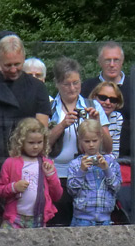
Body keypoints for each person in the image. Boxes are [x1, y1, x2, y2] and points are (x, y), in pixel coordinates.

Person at [0, 35, 51, 170]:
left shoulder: (38, 87)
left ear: (24, 58)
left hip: (25, 162)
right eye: (8, 65)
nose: (13, 69)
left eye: (17, 64)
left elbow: (41, 130)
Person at [48, 57, 111, 226]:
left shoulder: (93, 106)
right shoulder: (49, 107)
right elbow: (42, 146)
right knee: (59, 224)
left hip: (88, 173)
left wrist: (97, 122)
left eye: (76, 83)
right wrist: (62, 125)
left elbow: (108, 147)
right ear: (57, 84)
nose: (72, 88)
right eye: (67, 84)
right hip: (57, 175)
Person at [0, 118, 62, 228]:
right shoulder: (11, 163)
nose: (35, 146)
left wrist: (50, 175)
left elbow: (57, 195)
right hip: (14, 218)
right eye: (31, 143)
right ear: (21, 142)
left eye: (39, 142)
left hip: (38, 219)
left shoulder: (47, 164)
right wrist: (14, 187)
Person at [80, 42, 132, 158]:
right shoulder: (87, 87)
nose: (112, 64)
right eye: (108, 60)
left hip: (129, 159)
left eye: (116, 60)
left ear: (122, 61)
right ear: (99, 62)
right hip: (90, 155)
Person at [66, 119, 121, 226]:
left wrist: (106, 170)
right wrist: (81, 171)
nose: (91, 145)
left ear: (100, 139)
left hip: (105, 219)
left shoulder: (111, 163)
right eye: (87, 141)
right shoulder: (75, 164)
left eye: (94, 141)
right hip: (81, 219)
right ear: (80, 140)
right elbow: (72, 190)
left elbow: (116, 187)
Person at [90, 81, 123, 159]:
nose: (108, 102)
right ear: (94, 97)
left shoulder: (117, 117)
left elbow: (114, 153)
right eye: (103, 98)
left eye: (113, 100)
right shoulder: (86, 114)